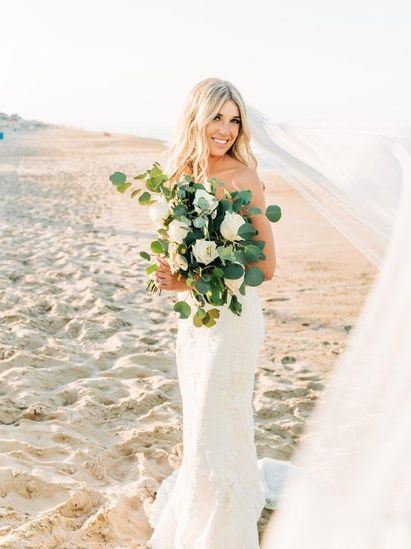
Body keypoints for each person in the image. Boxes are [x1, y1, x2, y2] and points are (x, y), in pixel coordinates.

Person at [147, 78, 277, 549]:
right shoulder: (178, 174)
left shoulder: (243, 177)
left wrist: (190, 278)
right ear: (196, 118)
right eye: (217, 117)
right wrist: (171, 267)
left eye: (234, 119)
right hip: (196, 321)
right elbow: (178, 246)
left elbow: (265, 264)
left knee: (215, 420)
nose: (225, 129)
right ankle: (201, 507)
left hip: (234, 322)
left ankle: (225, 526)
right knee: (198, 421)